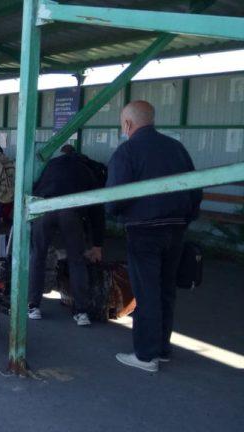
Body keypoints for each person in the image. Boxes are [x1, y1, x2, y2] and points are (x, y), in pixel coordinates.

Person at [108, 100, 201, 372]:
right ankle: (162, 348)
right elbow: (196, 190)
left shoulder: (127, 151)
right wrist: (187, 219)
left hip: (144, 231)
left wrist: (117, 215)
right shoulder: (177, 148)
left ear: (127, 124)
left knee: (146, 292)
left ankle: (145, 356)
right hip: (176, 230)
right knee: (165, 289)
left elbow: (114, 197)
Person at [27, 145, 105, 327]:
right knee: (76, 260)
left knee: (38, 256)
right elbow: (96, 209)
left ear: (61, 154)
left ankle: (33, 306)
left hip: (44, 208)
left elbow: (35, 188)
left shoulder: (51, 165)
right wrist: (97, 244)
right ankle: (81, 312)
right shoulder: (86, 170)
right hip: (71, 211)